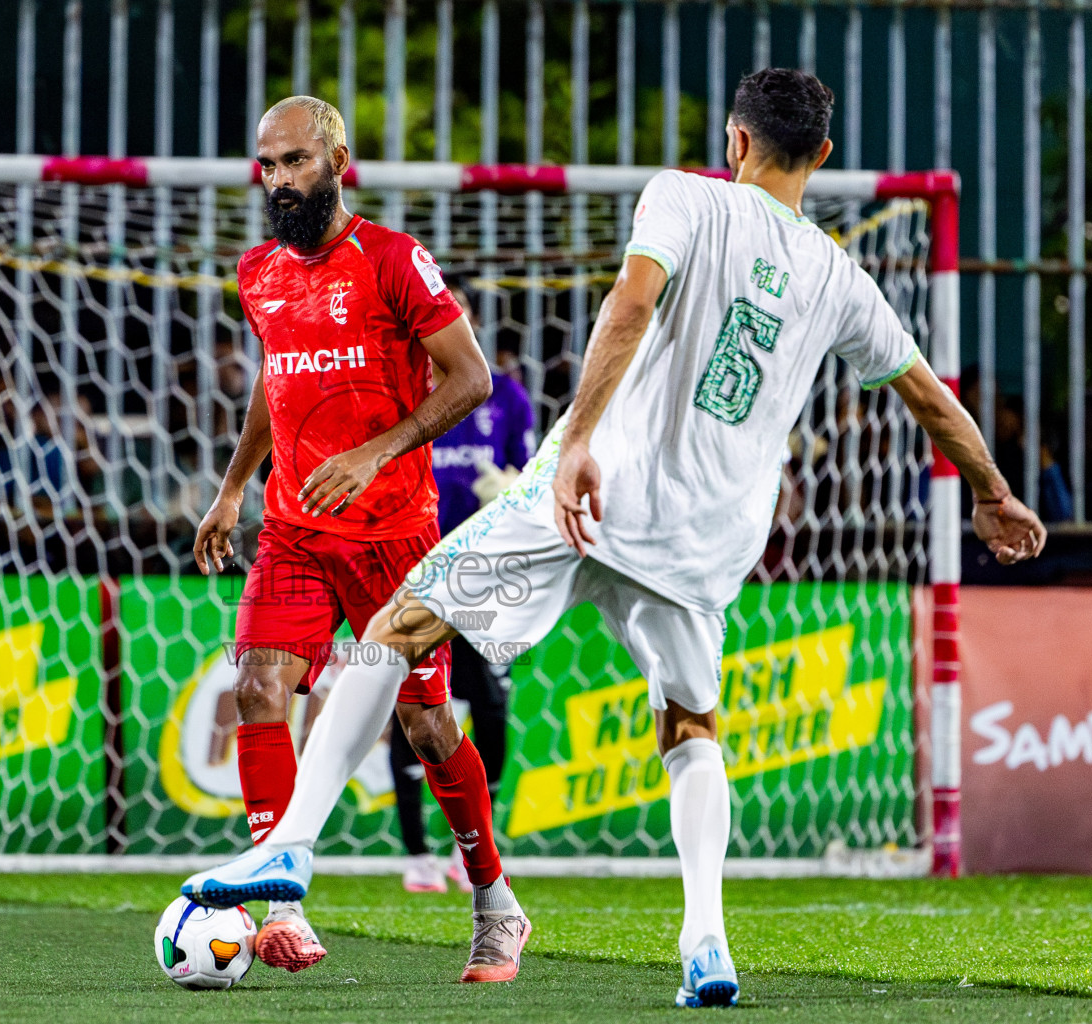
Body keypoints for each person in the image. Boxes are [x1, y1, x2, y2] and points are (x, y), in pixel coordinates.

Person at [184, 69, 1046, 1008]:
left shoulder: (685, 196)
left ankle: (295, 850)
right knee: (689, 728)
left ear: (736, 143)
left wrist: (579, 441)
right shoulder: (842, 278)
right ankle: (706, 943)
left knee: (398, 627)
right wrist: (995, 492)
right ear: (822, 158)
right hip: (709, 543)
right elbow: (929, 395)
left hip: (594, 494)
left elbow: (630, 306)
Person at [185, 95, 530, 982]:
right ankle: (282, 907)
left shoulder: (395, 260)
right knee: (261, 686)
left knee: (425, 724)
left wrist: (379, 452)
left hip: (394, 537)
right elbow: (275, 376)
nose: (279, 180)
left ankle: (495, 901)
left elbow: (472, 379)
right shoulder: (257, 271)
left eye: (295, 161)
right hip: (295, 529)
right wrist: (231, 490)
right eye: (266, 164)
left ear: (339, 159)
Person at [391, 280, 535, 894]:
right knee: (410, 707)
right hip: (413, 571)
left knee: (491, 708)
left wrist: (507, 486)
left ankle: (477, 839)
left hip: (480, 577)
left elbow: (529, 484)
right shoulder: (398, 393)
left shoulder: (507, 399)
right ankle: (417, 852)